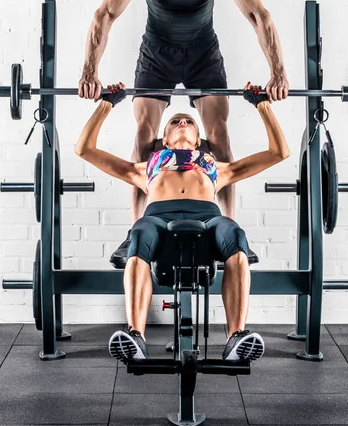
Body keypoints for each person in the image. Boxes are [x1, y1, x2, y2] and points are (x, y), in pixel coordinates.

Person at [78, 0, 289, 262]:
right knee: (144, 134)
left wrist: (278, 72)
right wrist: (89, 71)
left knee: (219, 134)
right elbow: (104, 14)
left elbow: (259, 15)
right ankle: (134, 233)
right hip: (156, 54)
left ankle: (229, 229)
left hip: (202, 54)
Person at [75, 83, 290, 363]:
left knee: (235, 234)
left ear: (199, 140)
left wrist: (262, 105)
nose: (182, 122)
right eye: (175, 121)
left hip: (208, 218)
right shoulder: (146, 168)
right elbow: (84, 149)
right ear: (164, 140)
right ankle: (135, 336)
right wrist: (107, 104)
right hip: (158, 219)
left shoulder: (216, 167)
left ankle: (236, 337)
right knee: (139, 232)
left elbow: (279, 153)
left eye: (188, 121)